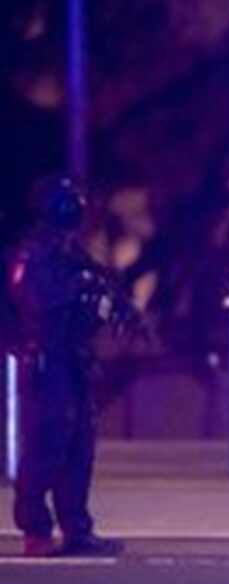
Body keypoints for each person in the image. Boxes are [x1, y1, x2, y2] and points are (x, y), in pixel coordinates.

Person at [8, 175, 137, 557]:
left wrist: (111, 305)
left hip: (74, 359)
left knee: (79, 450)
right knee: (47, 448)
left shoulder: (70, 253)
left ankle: (77, 529)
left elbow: (95, 291)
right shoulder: (34, 254)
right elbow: (41, 304)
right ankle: (36, 527)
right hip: (48, 362)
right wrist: (82, 292)